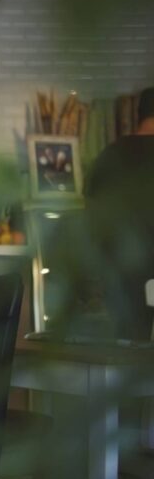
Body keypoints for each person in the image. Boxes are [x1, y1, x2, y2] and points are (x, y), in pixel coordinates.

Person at [81, 86, 154, 340]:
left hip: (119, 281)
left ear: (139, 115)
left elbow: (89, 214)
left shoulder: (109, 155)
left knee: (127, 351)